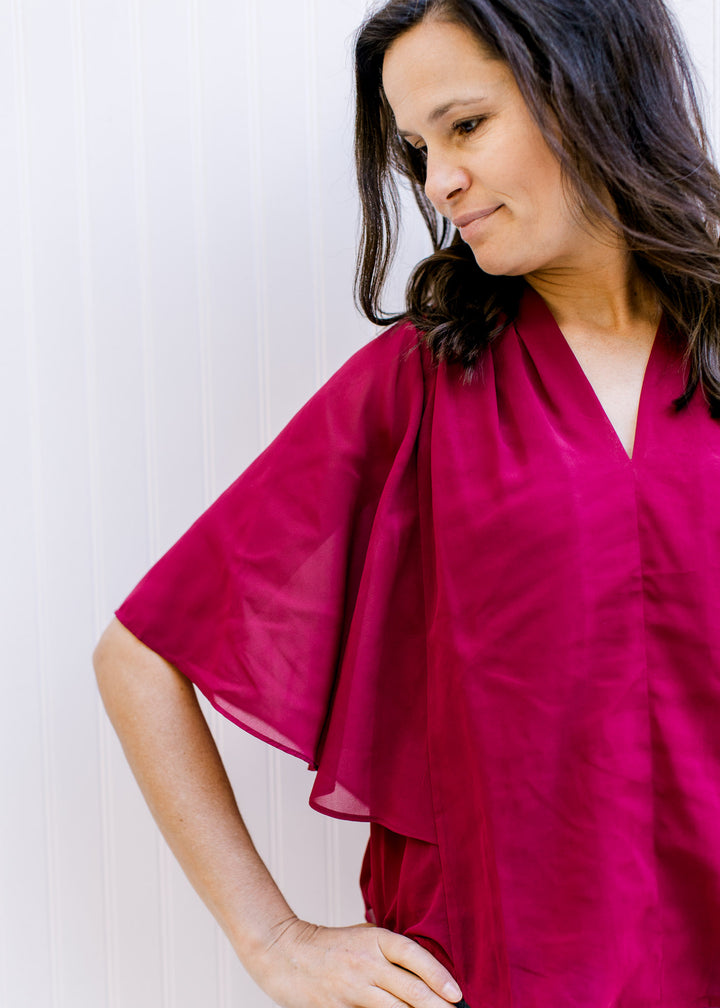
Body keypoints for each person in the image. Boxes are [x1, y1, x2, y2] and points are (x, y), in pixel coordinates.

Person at [94, 0, 720, 1005]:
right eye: (417, 148)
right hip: (492, 975)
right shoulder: (420, 385)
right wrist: (272, 942)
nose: (439, 183)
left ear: (594, 88)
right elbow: (138, 659)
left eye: (466, 126)